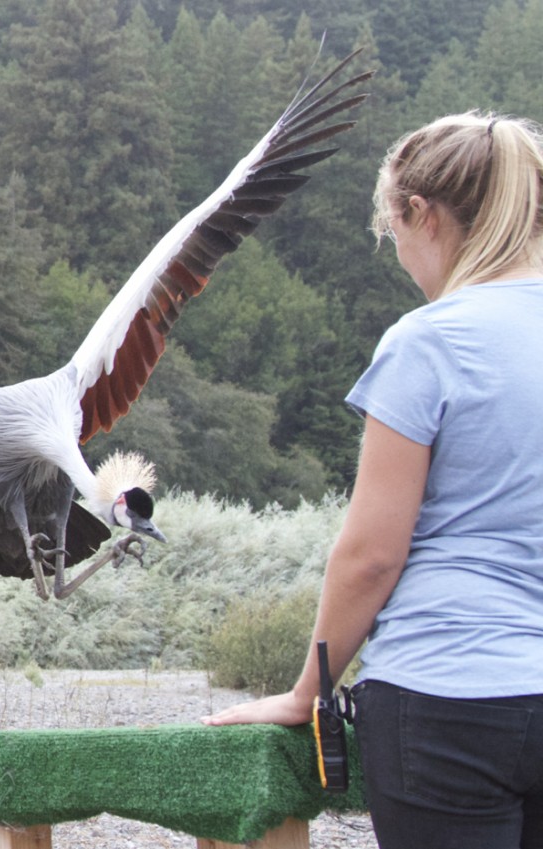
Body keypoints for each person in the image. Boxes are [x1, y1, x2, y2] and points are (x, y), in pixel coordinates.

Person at [204, 111, 543, 849]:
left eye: (392, 232)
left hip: (447, 695)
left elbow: (371, 556)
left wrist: (307, 692)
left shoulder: (430, 341)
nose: (401, 256)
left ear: (421, 213)